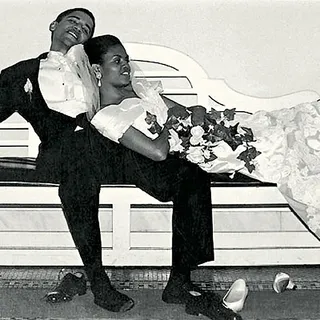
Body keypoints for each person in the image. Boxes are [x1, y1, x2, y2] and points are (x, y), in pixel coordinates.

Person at [84, 34, 320, 242]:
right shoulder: (107, 115)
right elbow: (157, 152)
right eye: (117, 61)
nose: (126, 66)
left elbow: (182, 112)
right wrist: (175, 125)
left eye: (126, 59)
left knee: (292, 122)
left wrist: (196, 113)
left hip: (209, 135)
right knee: (285, 140)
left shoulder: (140, 90)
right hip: (201, 153)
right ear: (97, 70)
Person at [0, 8, 136, 313]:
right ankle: (99, 281)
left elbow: (130, 96)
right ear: (54, 25)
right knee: (79, 167)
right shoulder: (23, 71)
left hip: (107, 147)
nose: (79, 28)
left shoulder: (91, 68)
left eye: (86, 28)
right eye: (73, 21)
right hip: (60, 153)